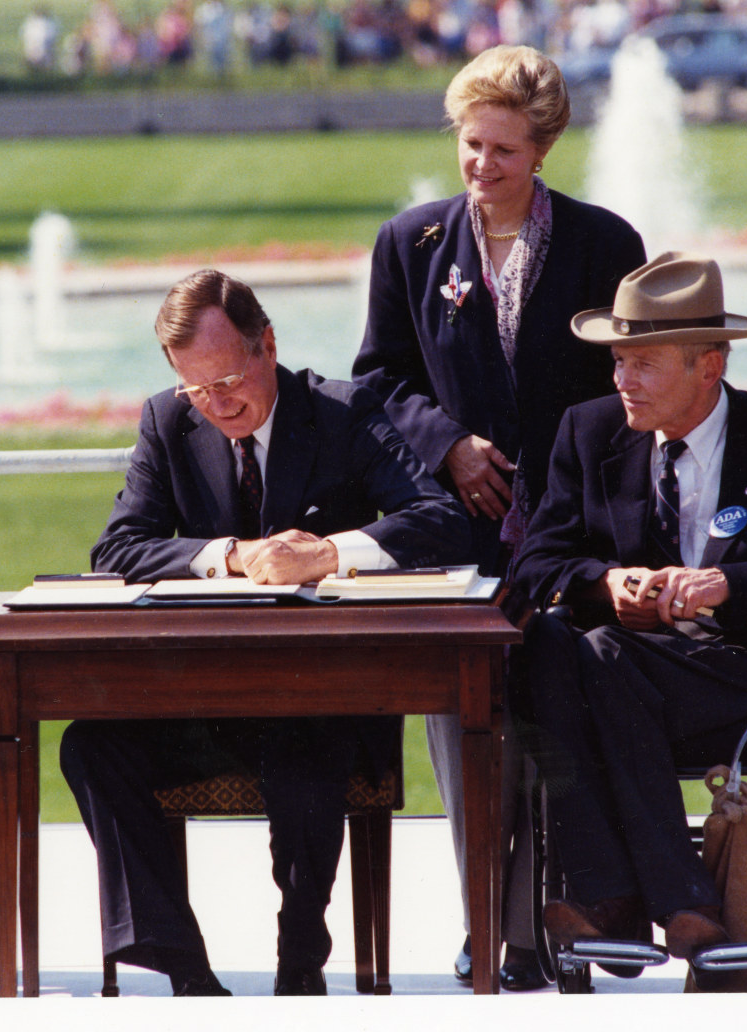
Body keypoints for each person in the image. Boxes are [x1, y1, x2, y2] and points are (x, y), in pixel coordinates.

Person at [60, 269, 467, 997]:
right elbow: (116, 548)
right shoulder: (167, 421)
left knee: (303, 741)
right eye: (196, 389)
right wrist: (228, 555)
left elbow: (438, 519)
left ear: (267, 346)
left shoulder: (342, 411)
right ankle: (184, 970)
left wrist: (328, 553)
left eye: (226, 381)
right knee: (91, 746)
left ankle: (299, 961)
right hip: (208, 702)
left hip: (329, 703)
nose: (216, 405)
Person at [352, 42, 645, 989]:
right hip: (455, 532)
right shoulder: (410, 242)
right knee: (464, 725)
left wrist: (564, 485)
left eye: (503, 150)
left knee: (556, 713)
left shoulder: (605, 245)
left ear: (542, 150)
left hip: (576, 530)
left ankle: (555, 922)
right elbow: (377, 379)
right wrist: (447, 444)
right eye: (470, 144)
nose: (481, 165)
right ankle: (490, 919)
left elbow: (628, 387)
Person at [507, 252, 747, 979]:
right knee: (545, 642)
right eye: (618, 361)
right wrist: (608, 582)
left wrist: (728, 584)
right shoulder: (588, 432)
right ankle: (670, 903)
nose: (622, 381)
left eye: (643, 365)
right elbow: (534, 563)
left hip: (741, 683)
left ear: (708, 366)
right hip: (616, 682)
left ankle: (616, 898)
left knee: (597, 657)